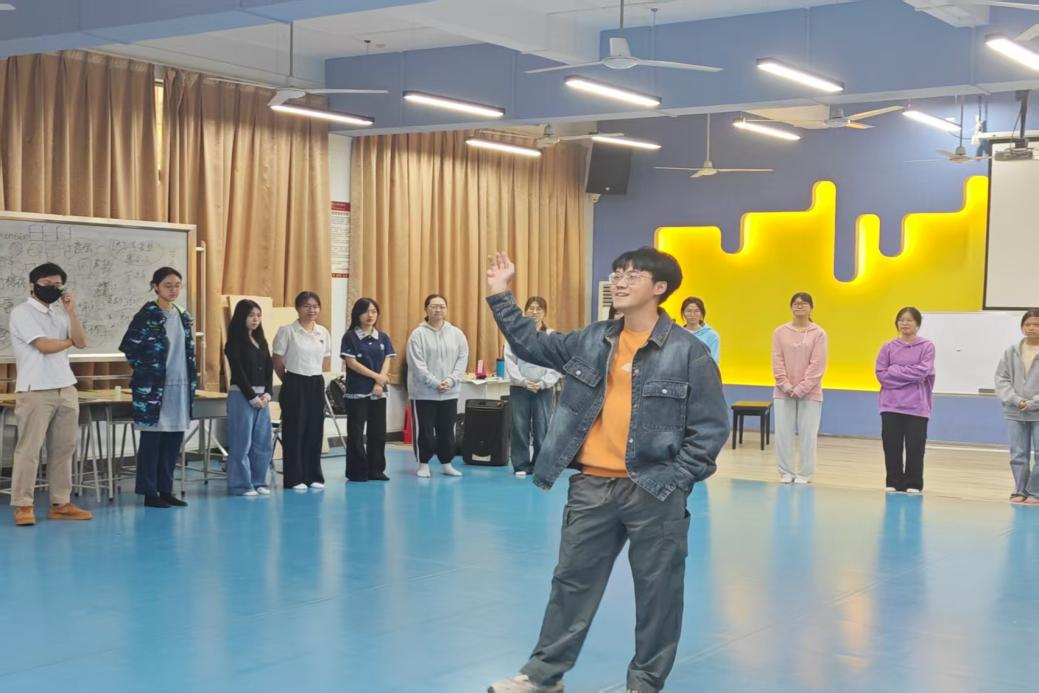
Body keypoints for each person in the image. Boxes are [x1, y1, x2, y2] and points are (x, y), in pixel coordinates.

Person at [485, 247, 729, 693]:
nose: (619, 281)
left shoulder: (688, 352)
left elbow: (711, 427)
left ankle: (644, 682)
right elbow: (531, 344)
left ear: (660, 288)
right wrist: (501, 293)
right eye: (617, 273)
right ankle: (544, 675)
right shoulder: (592, 339)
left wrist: (676, 480)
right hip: (592, 486)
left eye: (633, 275)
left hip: (653, 489)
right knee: (571, 584)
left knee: (658, 592)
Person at [8, 262, 92, 526]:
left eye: (57, 285)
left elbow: (82, 341)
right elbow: (43, 345)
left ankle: (60, 503)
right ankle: (23, 505)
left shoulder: (60, 314)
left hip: (65, 387)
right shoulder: (22, 312)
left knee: (64, 449)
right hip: (35, 389)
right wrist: (69, 342)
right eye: (47, 284)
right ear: (33, 285)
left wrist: (71, 312)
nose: (52, 288)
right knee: (29, 450)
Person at [120, 267, 197, 508]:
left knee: (173, 439)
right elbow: (129, 347)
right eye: (167, 285)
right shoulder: (147, 315)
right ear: (156, 286)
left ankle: (166, 489)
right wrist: (147, 371)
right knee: (152, 441)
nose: (173, 290)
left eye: (177, 285)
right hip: (153, 388)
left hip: (180, 385)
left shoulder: (183, 315)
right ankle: (149, 492)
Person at [272, 291, 331, 491]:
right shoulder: (287, 331)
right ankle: (294, 477)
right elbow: (277, 360)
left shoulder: (323, 332)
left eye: (315, 306)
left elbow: (324, 360)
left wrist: (315, 378)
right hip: (294, 381)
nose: (311, 310)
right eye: (306, 306)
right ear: (298, 308)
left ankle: (313, 475)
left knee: (315, 429)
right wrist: (289, 381)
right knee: (294, 430)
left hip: (316, 382)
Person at [406, 294, 468, 479]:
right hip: (423, 393)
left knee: (447, 430)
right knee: (425, 430)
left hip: (449, 392)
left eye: (442, 306)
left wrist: (450, 381)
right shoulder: (417, 335)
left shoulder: (457, 334)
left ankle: (446, 463)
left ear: (446, 309)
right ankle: (423, 464)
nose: (438, 310)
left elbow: (462, 359)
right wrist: (434, 382)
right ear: (426, 309)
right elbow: (416, 365)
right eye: (434, 306)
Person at [875, 307, 935, 494]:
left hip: (917, 406)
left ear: (917, 324)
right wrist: (908, 376)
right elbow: (881, 375)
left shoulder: (927, 346)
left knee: (915, 447)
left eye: (909, 320)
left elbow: (923, 371)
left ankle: (913, 483)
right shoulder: (887, 347)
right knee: (891, 445)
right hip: (890, 405)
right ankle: (893, 481)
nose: (905, 323)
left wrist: (895, 370)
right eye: (901, 319)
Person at [772, 292, 828, 484]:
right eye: (796, 303)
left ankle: (805, 473)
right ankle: (785, 472)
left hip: (810, 393)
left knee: (808, 435)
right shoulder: (780, 332)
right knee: (783, 434)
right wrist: (786, 386)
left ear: (811, 308)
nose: (799, 306)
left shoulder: (819, 333)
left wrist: (801, 388)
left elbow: (818, 364)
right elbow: (777, 360)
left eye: (804, 303)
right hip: (783, 392)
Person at [340, 297, 396, 482]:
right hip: (357, 391)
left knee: (378, 432)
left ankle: (376, 470)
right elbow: (352, 363)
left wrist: (380, 383)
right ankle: (357, 471)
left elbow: (387, 359)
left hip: (378, 391)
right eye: (366, 311)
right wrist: (377, 377)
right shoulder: (350, 337)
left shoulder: (383, 337)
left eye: (373, 311)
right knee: (356, 433)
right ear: (357, 314)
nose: (370, 315)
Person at [504, 296, 560, 478]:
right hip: (520, 387)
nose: (534, 312)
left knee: (542, 428)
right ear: (525, 311)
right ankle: (520, 465)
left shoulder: (551, 335)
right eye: (531, 308)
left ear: (545, 312)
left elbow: (557, 362)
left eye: (539, 309)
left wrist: (543, 382)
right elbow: (510, 361)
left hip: (543, 389)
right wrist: (523, 381)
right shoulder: (515, 335)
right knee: (519, 427)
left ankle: (540, 465)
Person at [224, 299, 274, 496]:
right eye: (251, 315)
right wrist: (252, 397)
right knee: (241, 441)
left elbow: (269, 369)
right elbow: (238, 372)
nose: (255, 319)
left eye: (258, 315)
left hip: (262, 398)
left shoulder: (261, 341)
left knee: (262, 441)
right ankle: (240, 485)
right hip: (242, 396)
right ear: (241, 317)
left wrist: (268, 393)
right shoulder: (234, 343)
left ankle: (259, 481)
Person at [995, 309, 1039, 505]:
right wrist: (1016, 400)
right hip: (1015, 411)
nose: (1031, 328)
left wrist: (1033, 402)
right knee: (1018, 453)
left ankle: (1035, 491)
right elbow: (1001, 379)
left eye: (1036, 324)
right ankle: (1019, 490)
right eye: (1027, 324)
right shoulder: (1011, 351)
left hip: (1037, 410)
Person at [680, 296, 720, 364]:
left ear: (702, 313)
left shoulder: (712, 335)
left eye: (697, 311)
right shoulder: (677, 334)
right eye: (689, 311)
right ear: (683, 313)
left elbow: (714, 363)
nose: (692, 314)